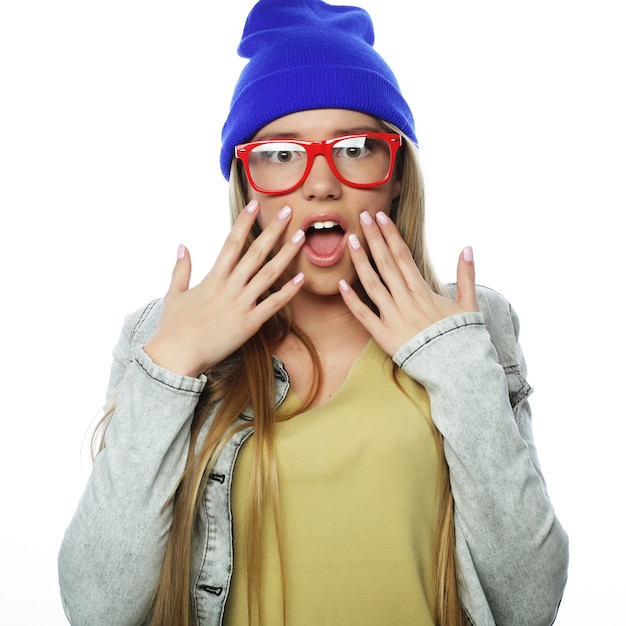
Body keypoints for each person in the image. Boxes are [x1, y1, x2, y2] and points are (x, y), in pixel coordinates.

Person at [58, 1, 569, 625]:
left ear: (397, 173)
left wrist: (456, 364)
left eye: (355, 147)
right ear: (245, 182)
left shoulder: (472, 323)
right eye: (280, 154)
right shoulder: (160, 336)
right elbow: (97, 609)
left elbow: (530, 604)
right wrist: (171, 367)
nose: (320, 183)